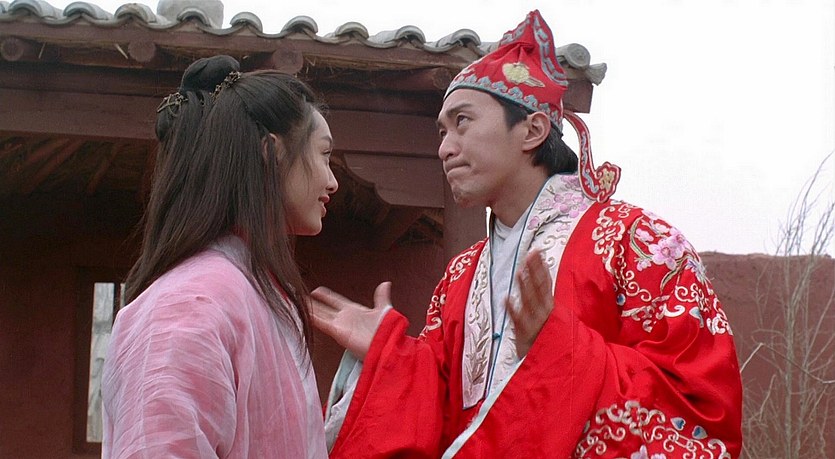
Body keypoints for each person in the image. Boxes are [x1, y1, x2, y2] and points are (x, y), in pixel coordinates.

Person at [311, 10, 743, 458]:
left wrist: (561, 352)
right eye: (442, 131)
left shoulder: (639, 242)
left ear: (533, 130)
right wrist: (391, 354)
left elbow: (698, 409)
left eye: (462, 122)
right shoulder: (460, 275)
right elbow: (443, 411)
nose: (444, 148)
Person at [101, 55, 337, 458]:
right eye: (324, 154)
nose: (332, 182)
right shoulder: (188, 304)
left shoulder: (252, 294)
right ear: (271, 152)